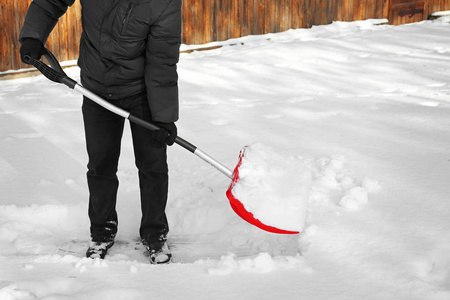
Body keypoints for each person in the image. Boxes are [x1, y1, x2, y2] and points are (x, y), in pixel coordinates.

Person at [19, 0, 182, 264]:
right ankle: (101, 231)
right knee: (100, 164)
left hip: (141, 92)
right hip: (95, 87)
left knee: (153, 165)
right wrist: (32, 36)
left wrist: (163, 117)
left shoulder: (164, 4)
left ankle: (155, 233)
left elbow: (162, 61)